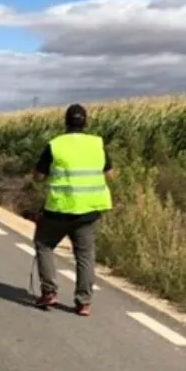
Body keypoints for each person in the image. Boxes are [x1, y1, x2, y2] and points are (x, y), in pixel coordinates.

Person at [31, 103, 116, 317]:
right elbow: (111, 174)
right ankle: (84, 302)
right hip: (88, 211)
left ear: (65, 122)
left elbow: (39, 176)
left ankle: (49, 292)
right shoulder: (97, 144)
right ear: (86, 122)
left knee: (44, 244)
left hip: (59, 209)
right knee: (85, 255)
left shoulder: (55, 145)